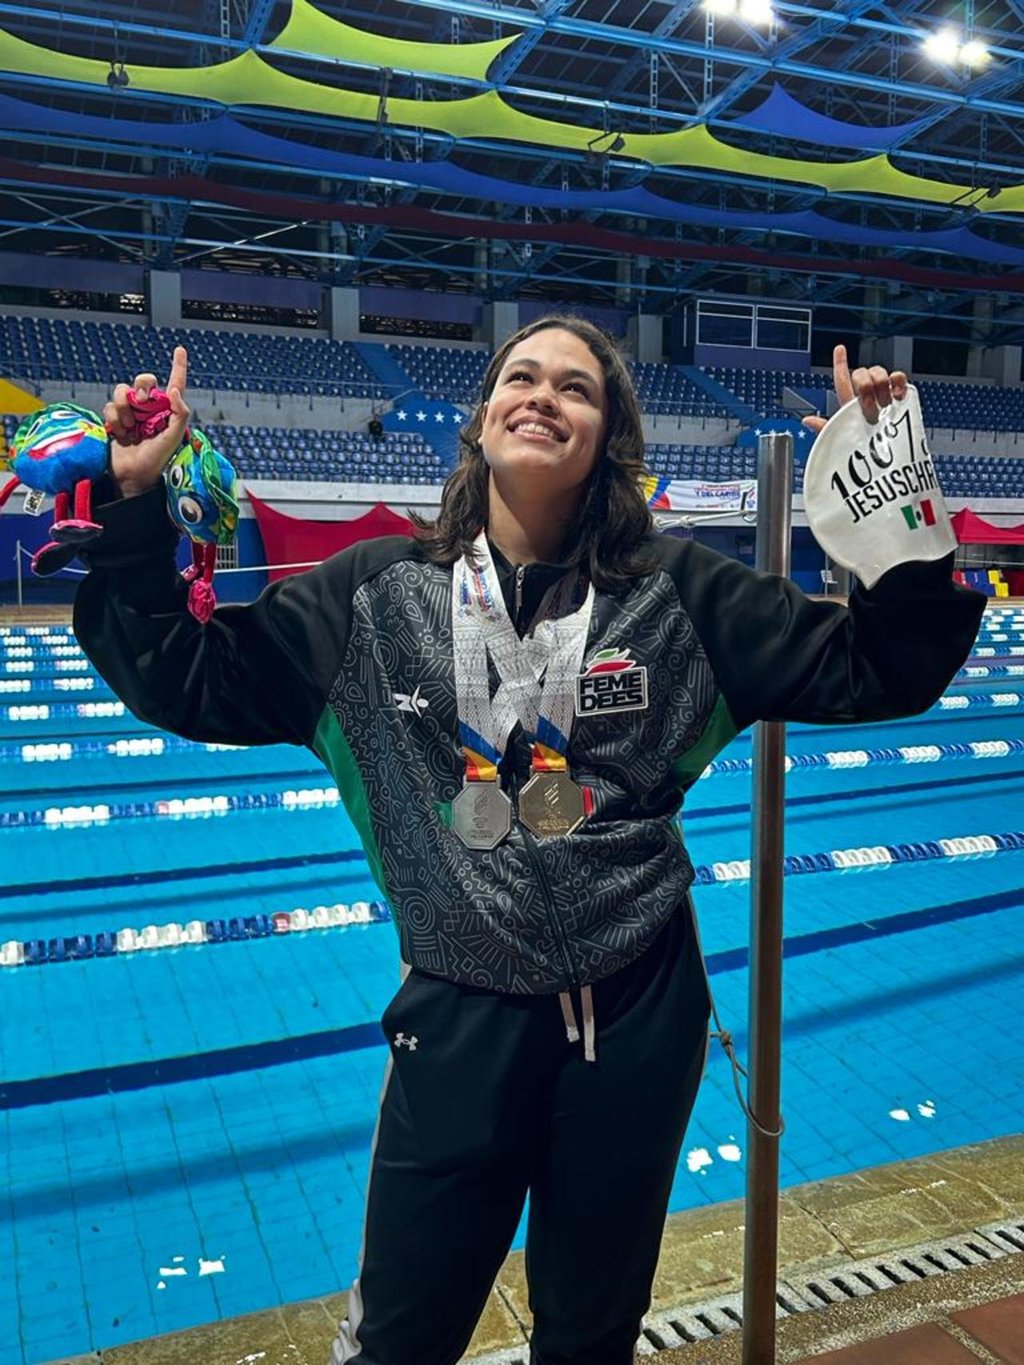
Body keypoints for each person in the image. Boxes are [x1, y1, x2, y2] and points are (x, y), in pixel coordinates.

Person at [74, 316, 984, 1365]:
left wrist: (888, 508)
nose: (543, 396)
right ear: (481, 423)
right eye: (520, 376)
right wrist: (137, 503)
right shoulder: (370, 597)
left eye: (576, 388)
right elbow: (181, 676)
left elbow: (884, 667)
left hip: (638, 1020)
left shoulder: (680, 594)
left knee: (590, 1338)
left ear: (607, 438)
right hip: (457, 1021)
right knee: (399, 1344)